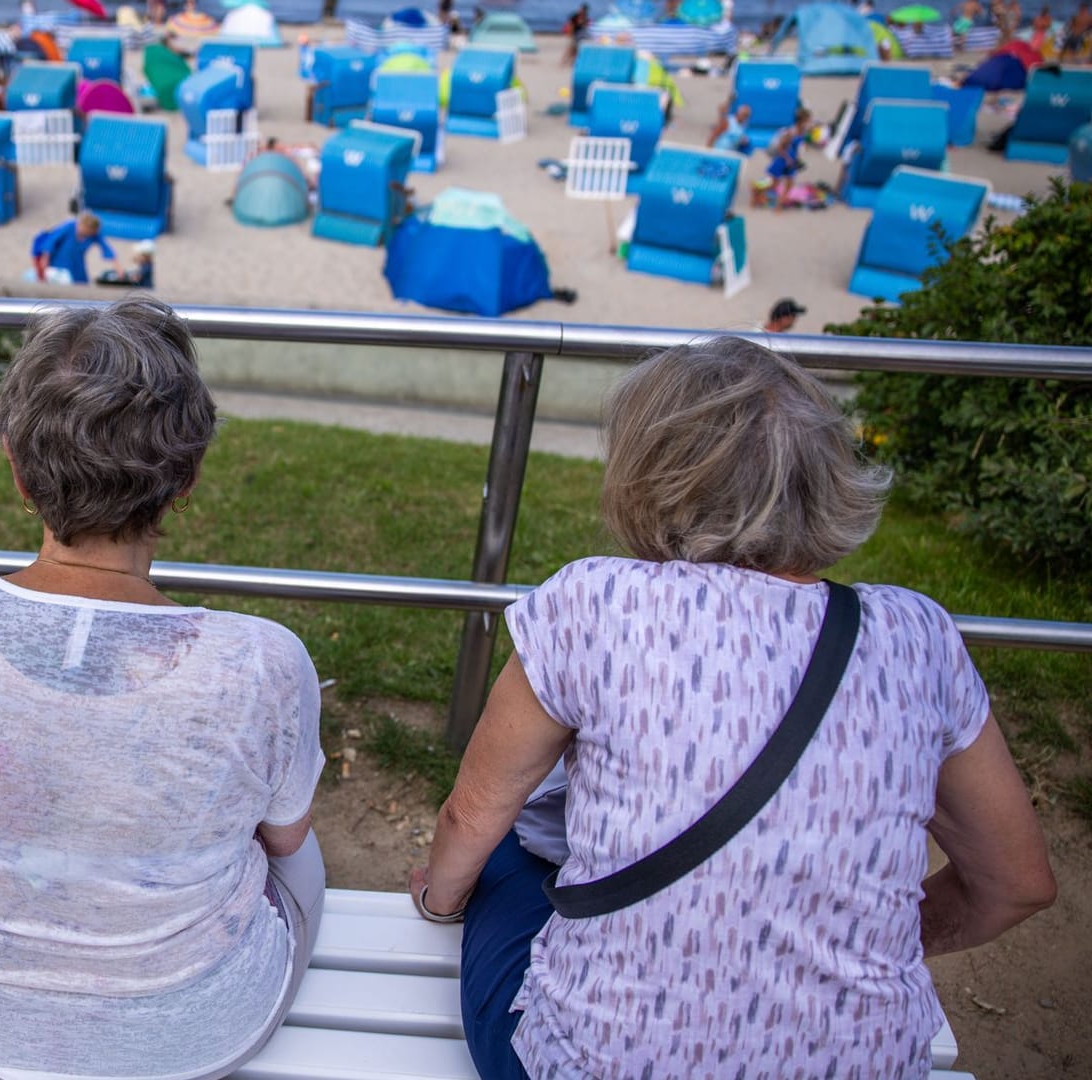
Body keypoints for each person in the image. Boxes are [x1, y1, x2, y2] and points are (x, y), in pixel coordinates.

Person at [408, 337, 1056, 1080]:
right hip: (858, 1064)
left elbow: (471, 816)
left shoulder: (594, 602)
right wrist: (851, 948)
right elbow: (1018, 884)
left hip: (594, 1062)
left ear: (649, 472)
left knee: (506, 851)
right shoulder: (919, 637)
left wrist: (438, 900)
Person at [0, 297, 326, 1080]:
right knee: (301, 848)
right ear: (185, 478)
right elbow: (283, 841)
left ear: (19, 473)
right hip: (193, 1036)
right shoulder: (261, 661)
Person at [30, 212, 118, 284]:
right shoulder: (69, 227)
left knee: (81, 286)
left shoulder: (93, 233)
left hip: (78, 265)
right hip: (60, 264)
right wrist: (45, 259)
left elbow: (105, 246)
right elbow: (51, 241)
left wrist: (116, 265)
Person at [765, 106, 811, 212]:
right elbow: (781, 147)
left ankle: (778, 207)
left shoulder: (802, 131)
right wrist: (787, 159)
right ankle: (757, 191)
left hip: (792, 161)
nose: (809, 122)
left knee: (789, 185)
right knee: (774, 184)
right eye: (807, 120)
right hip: (783, 160)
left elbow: (800, 146)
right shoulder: (792, 131)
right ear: (802, 120)